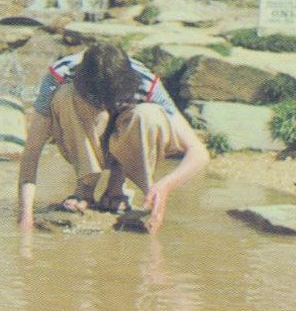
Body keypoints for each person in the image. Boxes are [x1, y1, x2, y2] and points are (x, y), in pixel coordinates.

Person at [16, 43, 209, 234]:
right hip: (83, 141)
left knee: (150, 115)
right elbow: (32, 150)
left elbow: (199, 153)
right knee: (65, 95)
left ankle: (116, 188)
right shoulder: (60, 75)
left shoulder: (147, 83)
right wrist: (26, 217)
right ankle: (85, 187)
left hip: (126, 148)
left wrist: (166, 185)